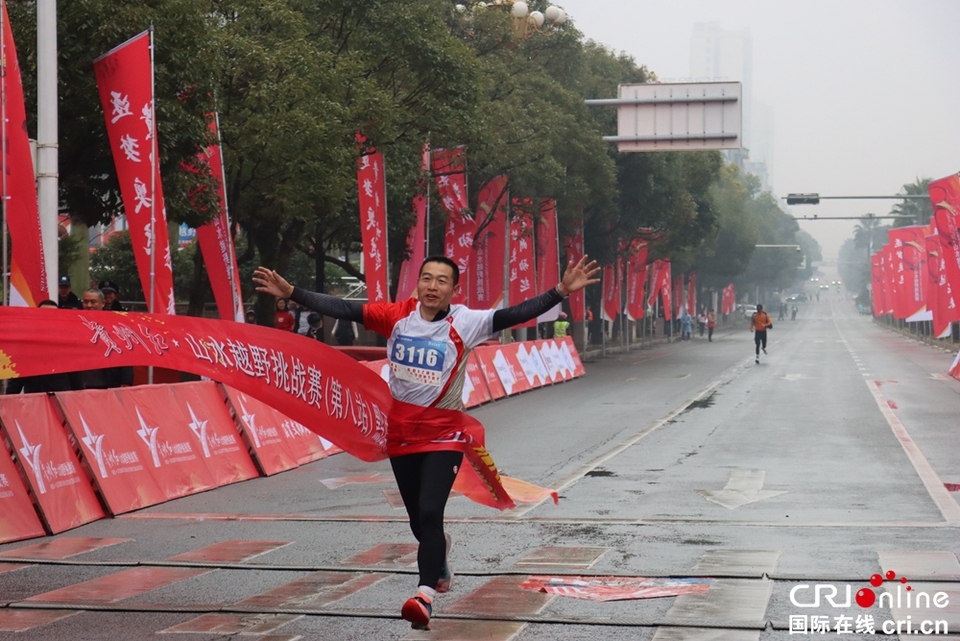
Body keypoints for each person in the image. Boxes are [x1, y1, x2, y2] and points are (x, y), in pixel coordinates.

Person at [253, 254, 600, 631]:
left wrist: (561, 291)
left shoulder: (465, 322)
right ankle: (439, 559)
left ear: (454, 289)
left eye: (441, 281)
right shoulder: (397, 316)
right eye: (426, 279)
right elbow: (345, 308)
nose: (432, 287)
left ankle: (423, 596)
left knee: (431, 510)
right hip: (400, 433)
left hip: (445, 432)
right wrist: (293, 293)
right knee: (420, 522)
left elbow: (512, 314)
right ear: (417, 284)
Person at [6, 300, 85, 394]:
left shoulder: (68, 344)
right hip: (35, 401)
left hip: (61, 402)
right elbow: (16, 381)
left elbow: (77, 382)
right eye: (44, 315)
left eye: (52, 315)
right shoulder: (26, 346)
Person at [79, 289, 134, 388]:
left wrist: (126, 380)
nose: (89, 305)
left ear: (103, 303)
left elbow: (125, 352)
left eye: (93, 302)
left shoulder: (115, 324)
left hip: (109, 382)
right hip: (81, 384)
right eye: (86, 302)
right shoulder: (76, 323)